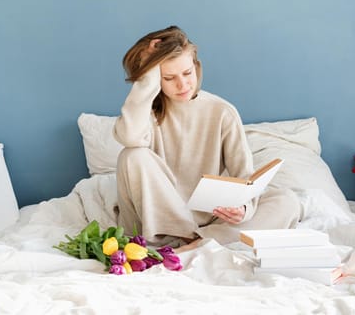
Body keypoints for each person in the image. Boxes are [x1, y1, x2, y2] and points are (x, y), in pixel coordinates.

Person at [114, 26, 301, 247]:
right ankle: (189, 241)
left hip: (207, 220)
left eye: (187, 73)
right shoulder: (145, 113)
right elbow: (130, 137)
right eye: (169, 77)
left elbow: (244, 174)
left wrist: (243, 209)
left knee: (287, 201)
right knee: (132, 155)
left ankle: (195, 243)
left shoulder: (222, 111)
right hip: (155, 223)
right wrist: (146, 79)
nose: (182, 84)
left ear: (196, 67)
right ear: (155, 79)